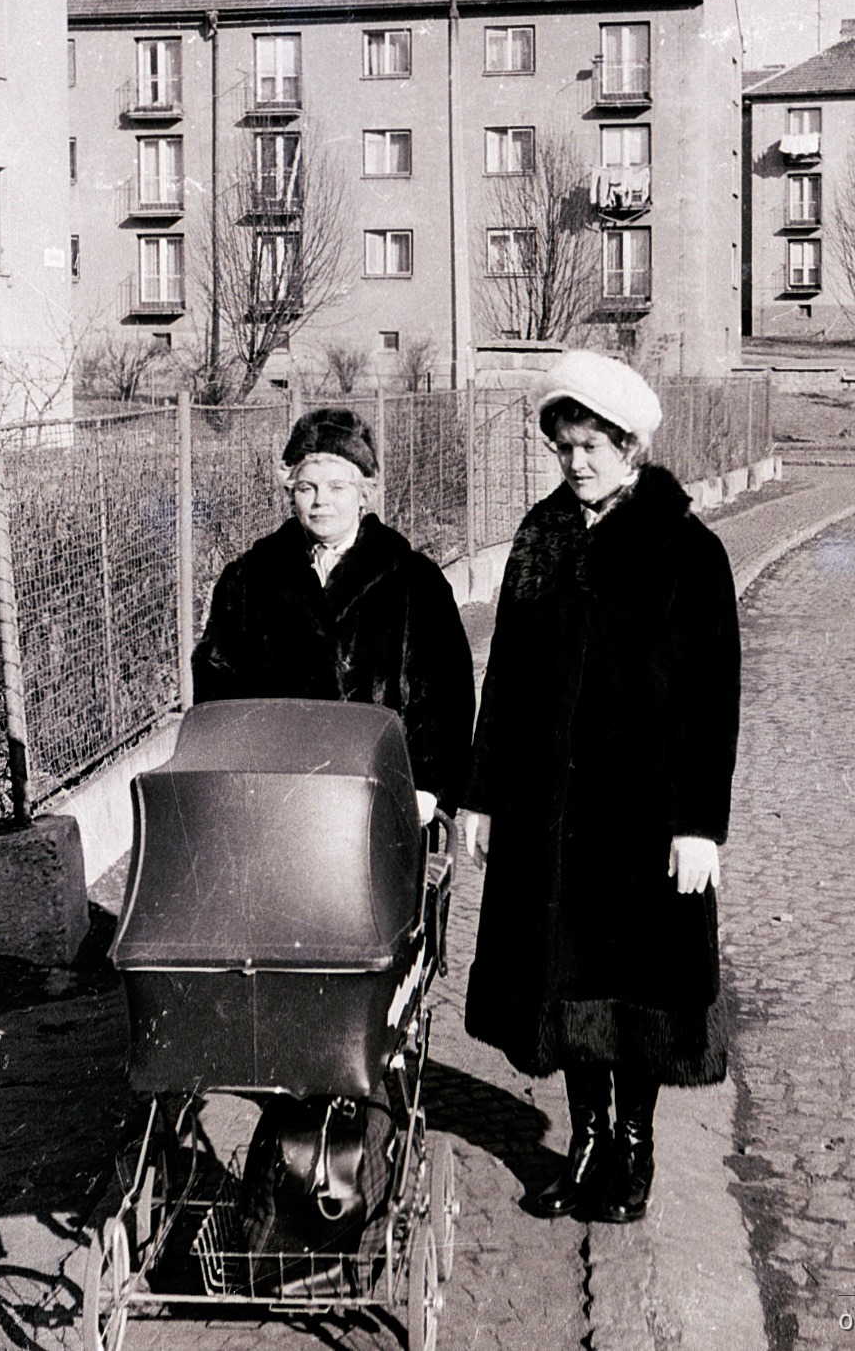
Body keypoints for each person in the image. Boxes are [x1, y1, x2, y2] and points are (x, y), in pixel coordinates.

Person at [462, 350, 740, 1224]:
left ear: (632, 446)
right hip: (551, 811)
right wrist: (480, 794)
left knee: (636, 993)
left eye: (593, 446)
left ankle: (634, 1149)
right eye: (565, 447)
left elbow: (712, 697)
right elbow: (504, 674)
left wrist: (699, 824)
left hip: (644, 814)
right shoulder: (541, 537)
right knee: (565, 980)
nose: (576, 463)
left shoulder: (686, 549)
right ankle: (583, 1143)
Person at [192, 406, 475, 820]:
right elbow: (219, 691)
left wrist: (428, 788)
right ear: (290, 492)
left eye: (337, 487)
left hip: (384, 804)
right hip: (278, 804)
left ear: (364, 493)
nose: (321, 501)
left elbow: (447, 697)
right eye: (307, 487)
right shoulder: (250, 578)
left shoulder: (414, 580)